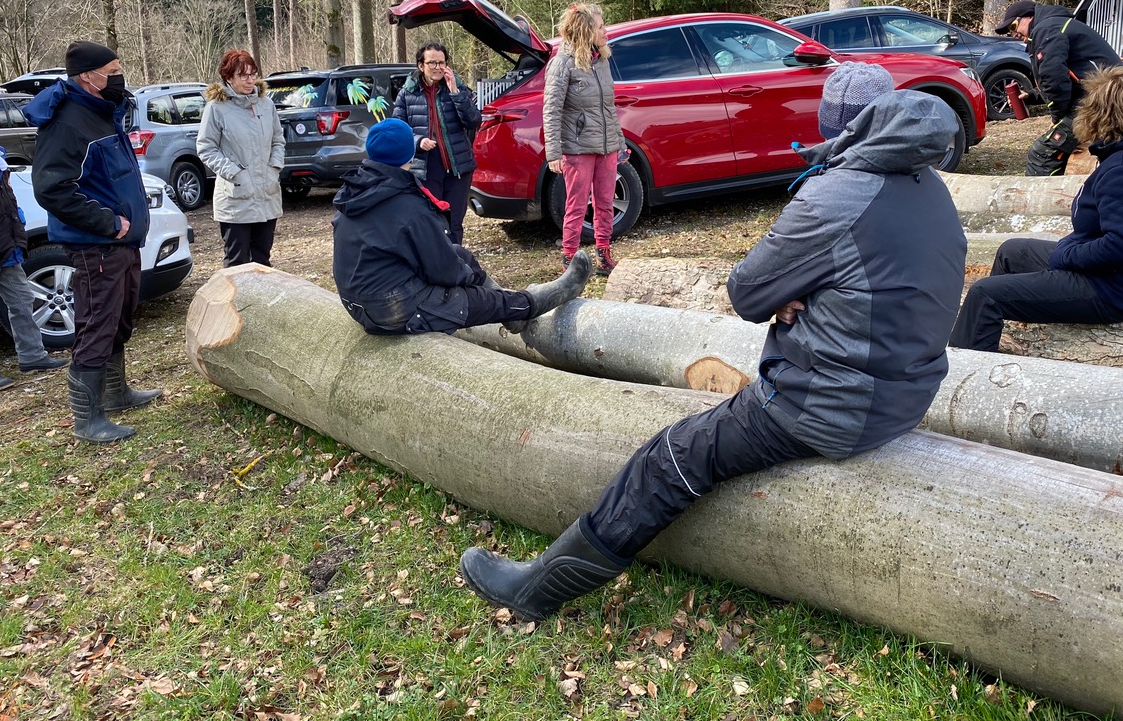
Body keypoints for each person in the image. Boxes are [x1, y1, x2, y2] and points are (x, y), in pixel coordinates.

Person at [459, 63, 967, 622]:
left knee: (668, 457)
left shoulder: (836, 194)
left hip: (830, 405)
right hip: (909, 392)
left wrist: (790, 292)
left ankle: (535, 590)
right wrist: (809, 290)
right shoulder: (929, 184)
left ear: (838, 128)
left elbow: (746, 292)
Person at [949, 66, 1123, 353]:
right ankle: (1004, 333)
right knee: (1013, 251)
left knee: (984, 295)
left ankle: (965, 369)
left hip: (1119, 290)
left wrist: (1068, 255)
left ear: (1101, 115)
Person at [333, 118, 592, 337]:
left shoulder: (356, 191)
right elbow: (443, 270)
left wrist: (465, 269)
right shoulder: (407, 205)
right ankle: (533, 302)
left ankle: (511, 316)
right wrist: (468, 281)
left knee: (460, 253)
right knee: (484, 299)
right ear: (408, 155)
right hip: (394, 310)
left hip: (359, 304)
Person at [23, 41, 162, 444]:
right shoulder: (68, 123)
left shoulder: (102, 111)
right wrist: (108, 223)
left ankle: (116, 392)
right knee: (96, 323)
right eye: (113, 69)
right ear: (88, 76)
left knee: (119, 317)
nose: (119, 75)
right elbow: (51, 189)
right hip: (96, 245)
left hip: (122, 244)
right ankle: (88, 418)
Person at [0, 96, 67, 390]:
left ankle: (32, 355)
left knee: (22, 300)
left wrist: (14, 221)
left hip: (6, 244)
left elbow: (6, 197)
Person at [542, 2, 628, 276]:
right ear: (585, 29)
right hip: (577, 148)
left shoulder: (601, 60)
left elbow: (608, 107)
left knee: (605, 202)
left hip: (607, 146)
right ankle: (569, 260)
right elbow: (551, 108)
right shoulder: (562, 63)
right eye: (601, 26)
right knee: (576, 205)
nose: (606, 31)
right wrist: (554, 153)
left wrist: (620, 142)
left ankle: (604, 254)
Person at [993, 0, 1121, 176]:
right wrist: (1032, 96)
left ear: (1028, 17)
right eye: (1009, 32)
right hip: (1104, 97)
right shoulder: (1055, 26)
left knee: (1042, 154)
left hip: (1102, 101)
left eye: (1013, 26)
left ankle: (1038, 201)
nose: (1013, 34)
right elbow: (1069, 76)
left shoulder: (1046, 29)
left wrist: (1057, 118)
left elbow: (1053, 75)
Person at [196, 49, 285, 267]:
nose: (250, 80)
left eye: (253, 74)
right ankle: (235, 303)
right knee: (237, 263)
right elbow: (206, 148)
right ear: (229, 78)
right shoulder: (216, 108)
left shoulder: (266, 104)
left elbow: (278, 140)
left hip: (266, 193)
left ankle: (263, 301)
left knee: (262, 260)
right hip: (235, 198)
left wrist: (274, 168)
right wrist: (234, 173)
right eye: (243, 75)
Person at [391, 41, 481, 245]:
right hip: (426, 167)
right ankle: (436, 265)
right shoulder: (407, 93)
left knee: (455, 220)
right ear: (421, 66)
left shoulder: (457, 88)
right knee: (432, 220)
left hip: (458, 166)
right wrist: (417, 140)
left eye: (442, 63)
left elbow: (473, 120)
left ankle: (457, 266)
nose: (438, 67)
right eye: (432, 63)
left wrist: (456, 93)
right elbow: (398, 128)